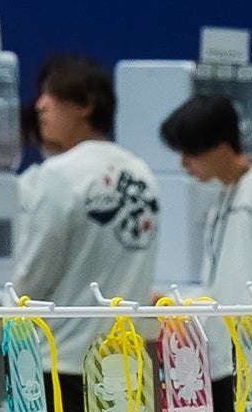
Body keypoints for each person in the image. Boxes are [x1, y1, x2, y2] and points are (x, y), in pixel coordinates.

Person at [14, 55, 158, 378]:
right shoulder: (143, 174)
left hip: (62, 362)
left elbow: (32, 277)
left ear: (85, 104)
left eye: (51, 95)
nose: (40, 105)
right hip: (125, 364)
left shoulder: (58, 174)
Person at [161, 90, 252, 371]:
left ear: (220, 146)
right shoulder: (225, 196)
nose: (183, 163)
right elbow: (223, 285)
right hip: (224, 356)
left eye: (190, 152)